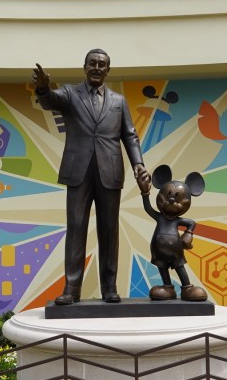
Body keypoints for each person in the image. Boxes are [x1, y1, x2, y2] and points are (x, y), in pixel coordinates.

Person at [32, 49, 148, 304]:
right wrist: (43, 90)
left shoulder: (119, 101)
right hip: (79, 172)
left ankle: (109, 287)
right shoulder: (70, 94)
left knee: (109, 230)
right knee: (76, 229)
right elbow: (51, 100)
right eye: (92, 63)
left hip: (110, 171)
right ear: (84, 67)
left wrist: (138, 163)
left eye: (102, 64)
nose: (97, 67)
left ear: (108, 70)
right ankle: (71, 289)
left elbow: (129, 135)